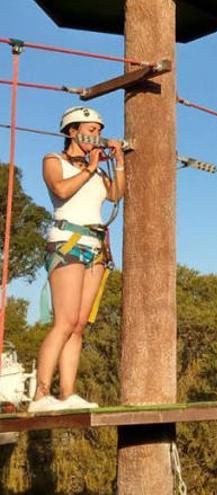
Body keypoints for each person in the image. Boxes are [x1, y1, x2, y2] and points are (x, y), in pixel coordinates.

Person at [28, 106, 125, 413]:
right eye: (90, 130)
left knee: (80, 324)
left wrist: (118, 162)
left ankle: (68, 393)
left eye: (98, 131)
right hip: (67, 244)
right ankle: (41, 395)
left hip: (95, 246)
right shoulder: (53, 160)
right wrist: (88, 168)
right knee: (65, 321)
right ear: (71, 131)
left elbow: (115, 196)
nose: (95, 136)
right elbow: (60, 188)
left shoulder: (96, 169)